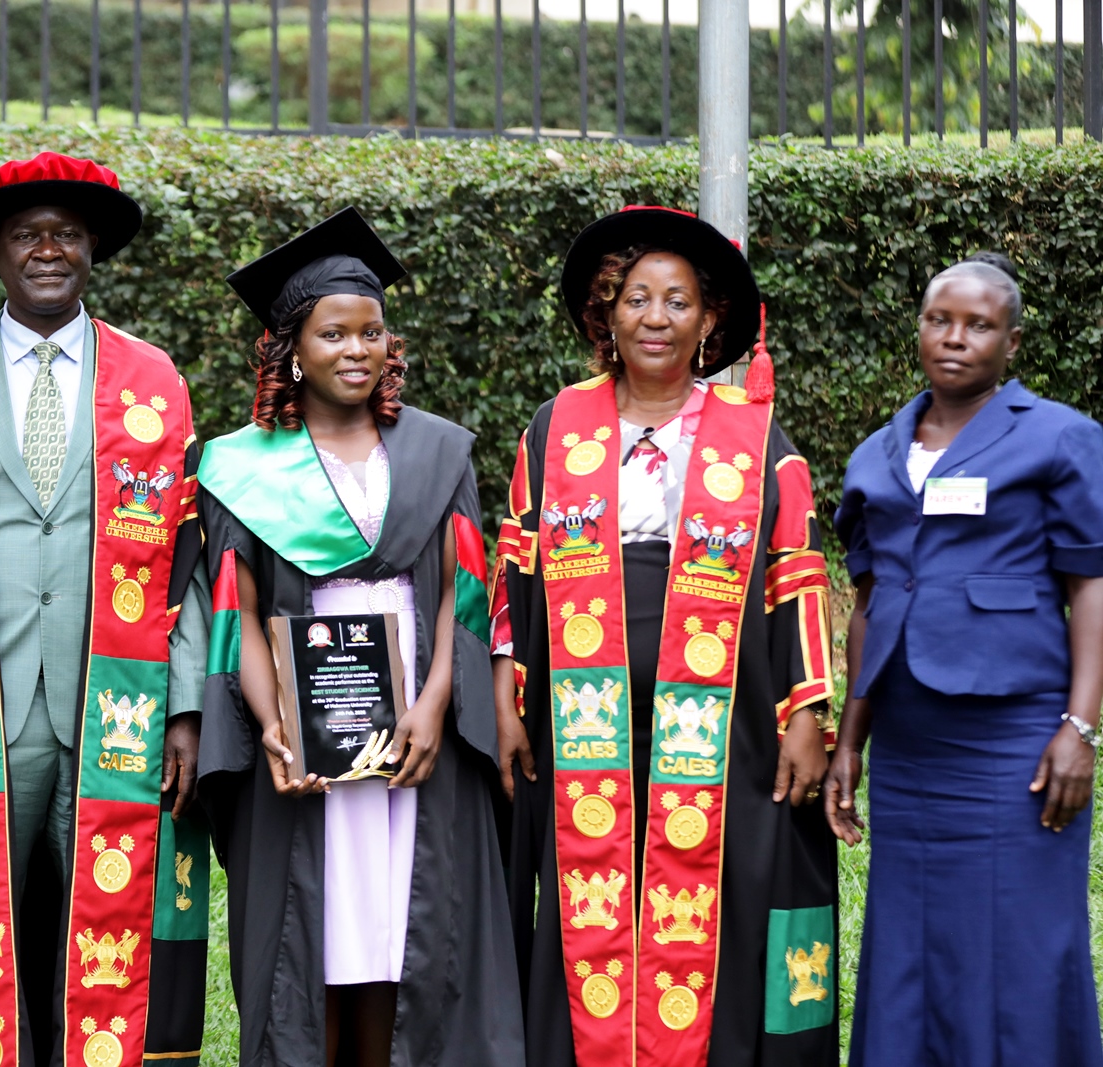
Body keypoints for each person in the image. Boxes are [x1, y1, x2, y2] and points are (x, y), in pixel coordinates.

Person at [0, 152, 211, 1067]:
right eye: (27, 235)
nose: (47, 250)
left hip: (115, 707)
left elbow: (187, 561)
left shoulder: (152, 381)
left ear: (92, 247)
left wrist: (184, 707)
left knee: (103, 923)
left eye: (65, 234)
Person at [490, 207, 841, 1066]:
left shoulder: (753, 436)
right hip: (580, 716)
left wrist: (807, 711)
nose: (656, 317)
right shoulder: (557, 427)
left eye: (677, 301)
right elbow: (517, 563)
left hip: (726, 716)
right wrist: (508, 682)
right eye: (636, 298)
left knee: (715, 883)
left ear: (710, 318)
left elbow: (794, 570)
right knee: (589, 876)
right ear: (606, 314)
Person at [197, 207, 525, 1067]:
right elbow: (240, 613)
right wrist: (274, 725)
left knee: (402, 936)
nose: (355, 348)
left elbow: (462, 595)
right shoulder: (243, 466)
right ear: (290, 350)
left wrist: (433, 704)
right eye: (332, 332)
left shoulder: (437, 454)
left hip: (415, 728)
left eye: (371, 331)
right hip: (306, 739)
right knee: (321, 936)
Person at [830, 256, 1103, 1066]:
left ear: (1011, 341)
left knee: (1020, 937)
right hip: (912, 747)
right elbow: (871, 604)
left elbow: (1090, 583)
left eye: (978, 324)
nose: (954, 338)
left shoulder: (1059, 434)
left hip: (1012, 736)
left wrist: (1080, 725)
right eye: (938, 319)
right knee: (912, 941)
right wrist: (851, 739)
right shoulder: (877, 451)